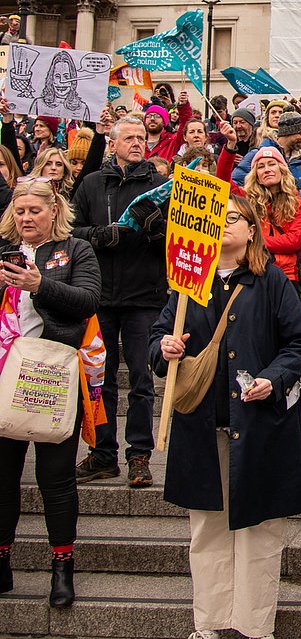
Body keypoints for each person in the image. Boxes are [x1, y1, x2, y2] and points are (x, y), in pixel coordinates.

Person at [151, 193, 301, 639]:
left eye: (234, 217)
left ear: (251, 229)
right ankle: (209, 624)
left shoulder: (272, 281)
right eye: (219, 217)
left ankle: (254, 627)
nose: (224, 223)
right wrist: (162, 348)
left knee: (260, 534)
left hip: (260, 427)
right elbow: (158, 335)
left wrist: (273, 378)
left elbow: (299, 342)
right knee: (206, 532)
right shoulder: (188, 284)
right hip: (201, 427)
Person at [0, 177, 101, 608]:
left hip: (53, 375)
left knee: (55, 478)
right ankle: (1, 560)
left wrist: (40, 285)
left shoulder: (76, 249)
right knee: (3, 478)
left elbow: (88, 300)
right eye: (20, 211)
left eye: (34, 211)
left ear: (53, 212)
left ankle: (62, 566)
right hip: (5, 376)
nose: (26, 218)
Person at [72, 113, 169, 488]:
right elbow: (71, 229)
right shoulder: (92, 184)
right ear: (111, 144)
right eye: (128, 137)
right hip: (99, 296)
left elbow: (178, 239)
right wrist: (99, 235)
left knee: (142, 379)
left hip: (144, 296)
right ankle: (103, 452)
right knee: (101, 378)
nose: (137, 143)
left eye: (141, 137)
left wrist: (155, 231)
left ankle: (139, 454)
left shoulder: (161, 185)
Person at [242, 148, 301, 294]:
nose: (267, 170)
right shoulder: (247, 201)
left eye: (272, 164)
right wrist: (230, 147)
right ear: (256, 175)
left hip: (285, 277)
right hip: (252, 272)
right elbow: (224, 182)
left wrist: (256, 241)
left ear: (282, 169)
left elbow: (293, 241)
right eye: (261, 167)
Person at [143, 91, 192, 161]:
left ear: (164, 122)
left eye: (157, 116)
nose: (152, 119)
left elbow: (186, 124)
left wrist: (183, 106)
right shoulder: (138, 142)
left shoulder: (172, 141)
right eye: (149, 116)